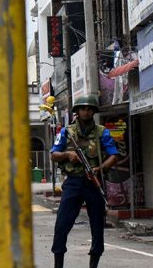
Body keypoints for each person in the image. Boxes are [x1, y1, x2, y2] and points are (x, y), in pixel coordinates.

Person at [50, 95, 119, 268]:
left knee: (97, 226)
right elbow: (53, 155)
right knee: (62, 225)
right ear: (77, 111)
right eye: (83, 108)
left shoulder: (102, 132)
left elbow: (114, 155)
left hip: (93, 182)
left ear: (93, 111)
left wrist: (100, 168)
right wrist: (68, 154)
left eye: (89, 109)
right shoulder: (66, 132)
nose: (86, 112)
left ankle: (94, 264)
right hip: (73, 183)